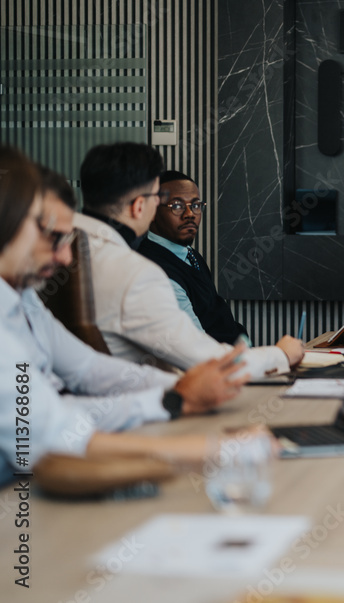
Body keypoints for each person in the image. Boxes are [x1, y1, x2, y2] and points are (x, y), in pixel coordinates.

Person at [0, 146, 245, 487]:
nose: (66, 256)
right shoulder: (138, 270)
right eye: (52, 235)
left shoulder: (21, 297)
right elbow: (51, 432)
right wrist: (175, 403)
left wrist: (178, 389)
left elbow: (86, 369)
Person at [75, 142, 304, 375]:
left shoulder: (71, 252)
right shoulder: (140, 274)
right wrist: (280, 355)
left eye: (196, 205)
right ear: (140, 206)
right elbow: (205, 362)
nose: (189, 214)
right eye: (158, 199)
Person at [138, 170, 250, 345]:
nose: (190, 214)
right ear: (152, 212)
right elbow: (198, 346)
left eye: (196, 205)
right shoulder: (158, 272)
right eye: (177, 206)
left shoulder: (189, 253)